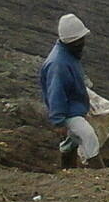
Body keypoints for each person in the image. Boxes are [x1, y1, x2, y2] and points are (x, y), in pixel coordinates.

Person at [38, 13, 102, 169]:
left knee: (72, 140)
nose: (83, 43)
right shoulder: (58, 64)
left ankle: (68, 169)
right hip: (69, 110)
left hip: (74, 105)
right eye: (80, 40)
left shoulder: (67, 55)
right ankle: (99, 172)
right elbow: (56, 94)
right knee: (88, 135)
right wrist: (59, 120)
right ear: (72, 42)